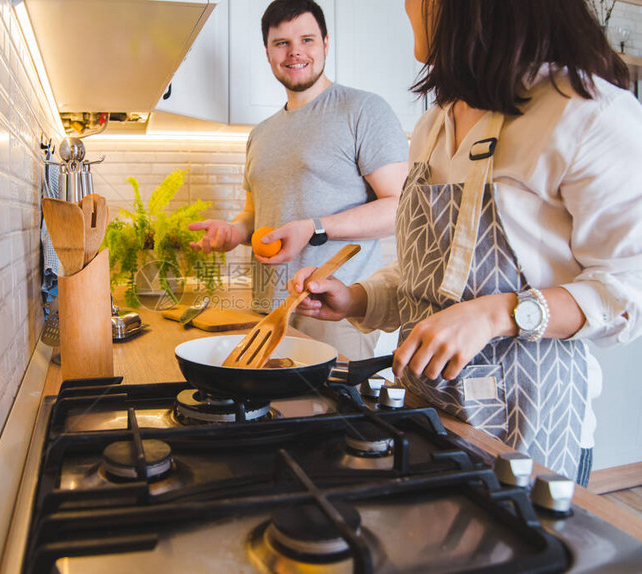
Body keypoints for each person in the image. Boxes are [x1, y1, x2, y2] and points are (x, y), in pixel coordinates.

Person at [289, 0, 642, 485]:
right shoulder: (433, 125)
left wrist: (498, 313)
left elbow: (626, 295)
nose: (405, 4)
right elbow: (429, 277)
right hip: (428, 420)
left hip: (529, 436)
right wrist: (357, 297)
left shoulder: (588, 115)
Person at [188, 0, 409, 360]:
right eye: (282, 43)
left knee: (329, 416)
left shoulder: (364, 111)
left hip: (334, 312)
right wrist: (233, 232)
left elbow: (400, 208)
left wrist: (314, 227)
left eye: (306, 39)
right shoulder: (261, 133)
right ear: (268, 51)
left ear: (325, 42)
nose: (295, 53)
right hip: (268, 311)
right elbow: (255, 215)